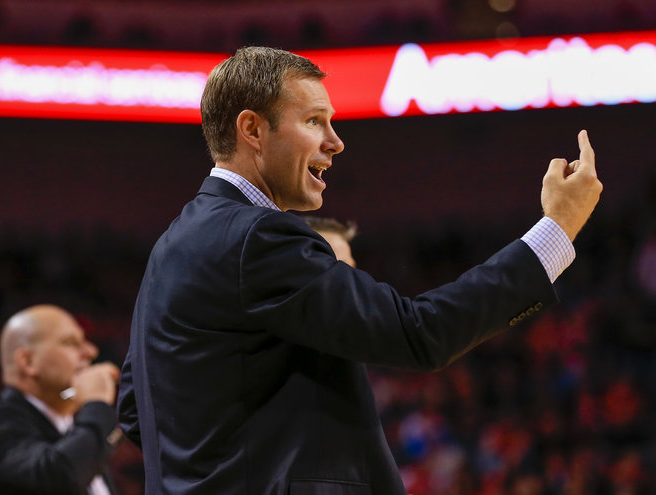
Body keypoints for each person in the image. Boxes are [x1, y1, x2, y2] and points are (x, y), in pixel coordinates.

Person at [118, 46, 602, 495]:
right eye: (314, 121)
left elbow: (135, 409)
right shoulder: (256, 237)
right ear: (253, 129)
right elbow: (419, 333)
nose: (336, 142)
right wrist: (557, 230)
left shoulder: (174, 243)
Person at [0, 304, 121, 495]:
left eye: (85, 341)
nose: (91, 351)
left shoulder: (71, 420)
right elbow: (59, 479)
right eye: (71, 342)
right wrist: (97, 404)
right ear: (27, 361)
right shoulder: (3, 422)